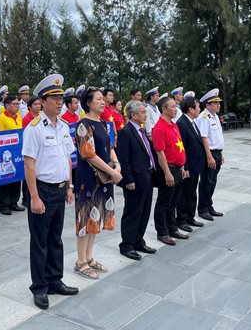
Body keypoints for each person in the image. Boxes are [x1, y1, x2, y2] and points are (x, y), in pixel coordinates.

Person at [22, 74, 78, 310]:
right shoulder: (34, 128)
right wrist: (34, 197)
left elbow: (68, 158)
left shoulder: (63, 126)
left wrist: (70, 186)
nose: (59, 102)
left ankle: (55, 280)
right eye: (54, 98)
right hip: (42, 190)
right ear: (42, 101)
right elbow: (29, 164)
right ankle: (40, 287)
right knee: (40, 241)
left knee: (55, 238)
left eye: (61, 98)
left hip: (60, 189)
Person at [73, 87, 122, 280]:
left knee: (96, 216)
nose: (103, 102)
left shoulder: (101, 122)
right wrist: (112, 172)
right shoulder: (83, 124)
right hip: (89, 179)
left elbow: (109, 147)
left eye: (103, 99)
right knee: (85, 218)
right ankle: (80, 262)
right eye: (99, 99)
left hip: (104, 177)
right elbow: (88, 154)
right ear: (88, 103)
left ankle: (89, 257)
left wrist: (116, 164)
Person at [116, 100, 157, 260]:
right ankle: (127, 244)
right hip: (135, 180)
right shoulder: (126, 132)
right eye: (143, 112)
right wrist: (128, 179)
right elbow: (123, 159)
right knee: (133, 212)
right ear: (133, 115)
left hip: (146, 177)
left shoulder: (140, 130)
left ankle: (138, 240)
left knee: (144, 211)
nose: (146, 115)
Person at [152, 96, 188, 246]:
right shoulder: (159, 128)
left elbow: (179, 146)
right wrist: (167, 173)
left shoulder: (173, 125)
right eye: (172, 106)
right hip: (168, 169)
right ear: (164, 109)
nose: (175, 109)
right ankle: (162, 232)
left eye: (175, 106)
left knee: (174, 201)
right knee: (164, 202)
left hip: (178, 169)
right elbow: (160, 153)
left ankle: (172, 228)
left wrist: (183, 167)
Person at [175, 96, 205, 231]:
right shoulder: (182, 123)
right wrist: (185, 166)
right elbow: (183, 147)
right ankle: (181, 220)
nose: (199, 109)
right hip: (189, 166)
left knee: (192, 192)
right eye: (197, 107)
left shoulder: (192, 122)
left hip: (195, 165)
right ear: (191, 109)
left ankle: (190, 217)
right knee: (184, 194)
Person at [196, 88, 226, 221]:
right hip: (210, 153)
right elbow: (203, 138)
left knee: (212, 181)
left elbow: (217, 137)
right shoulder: (204, 117)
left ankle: (209, 205)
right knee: (206, 182)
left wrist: (221, 154)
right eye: (215, 103)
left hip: (217, 153)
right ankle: (203, 209)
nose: (218, 105)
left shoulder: (214, 117)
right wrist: (209, 157)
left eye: (219, 103)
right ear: (207, 105)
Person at [0, 95, 25, 215]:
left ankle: (14, 202)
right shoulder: (1, 118)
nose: (17, 106)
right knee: (5, 178)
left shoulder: (18, 117)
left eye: (18, 104)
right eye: (14, 104)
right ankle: (4, 204)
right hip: (6, 151)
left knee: (16, 176)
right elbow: (0, 135)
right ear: (7, 105)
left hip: (17, 151)